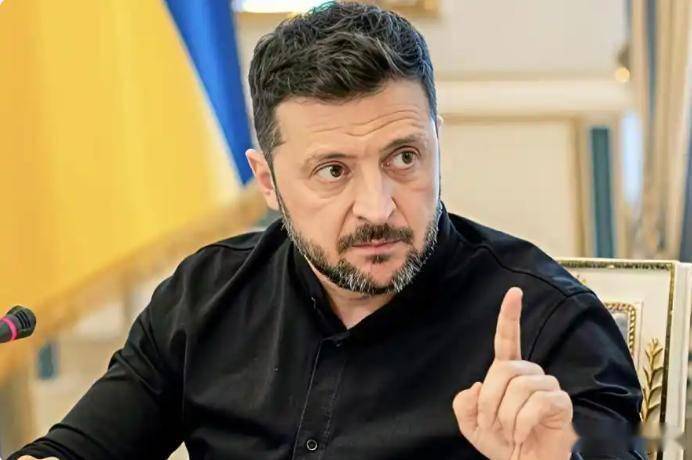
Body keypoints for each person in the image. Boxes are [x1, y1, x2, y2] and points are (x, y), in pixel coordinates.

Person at [12, 2, 644, 459]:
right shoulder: (204, 296)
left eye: (404, 158)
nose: (378, 207)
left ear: (437, 143)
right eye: (333, 171)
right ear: (268, 181)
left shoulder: (548, 323)